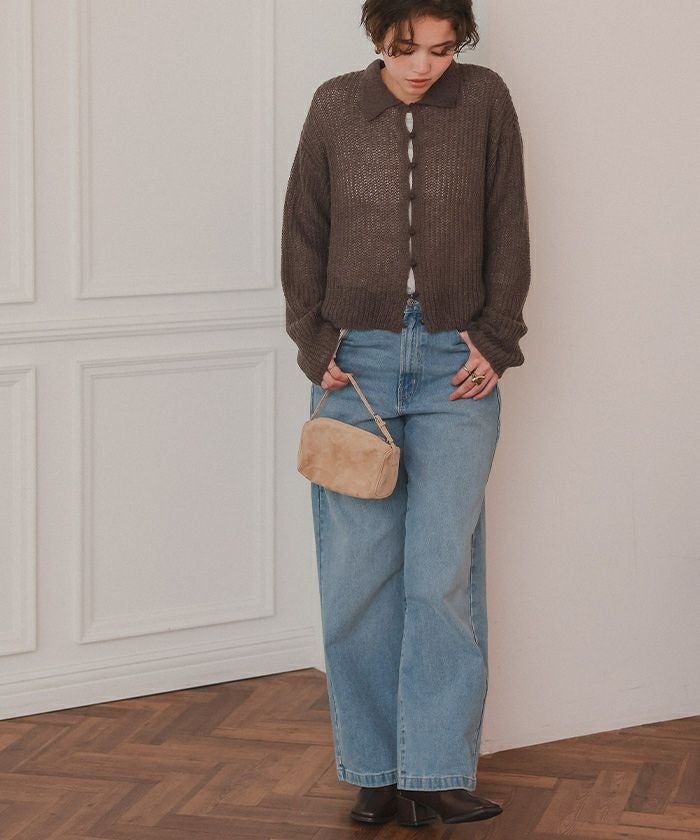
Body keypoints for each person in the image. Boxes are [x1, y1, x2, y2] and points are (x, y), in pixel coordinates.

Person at [281, 0, 531, 827]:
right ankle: (376, 772)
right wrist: (314, 339)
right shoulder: (335, 106)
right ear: (376, 38)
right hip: (355, 364)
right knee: (358, 577)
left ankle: (435, 773)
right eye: (405, 48)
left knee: (440, 576)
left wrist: (496, 337)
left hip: (457, 365)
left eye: (442, 49)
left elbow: (508, 221)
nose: (424, 66)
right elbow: (304, 230)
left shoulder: (485, 100)